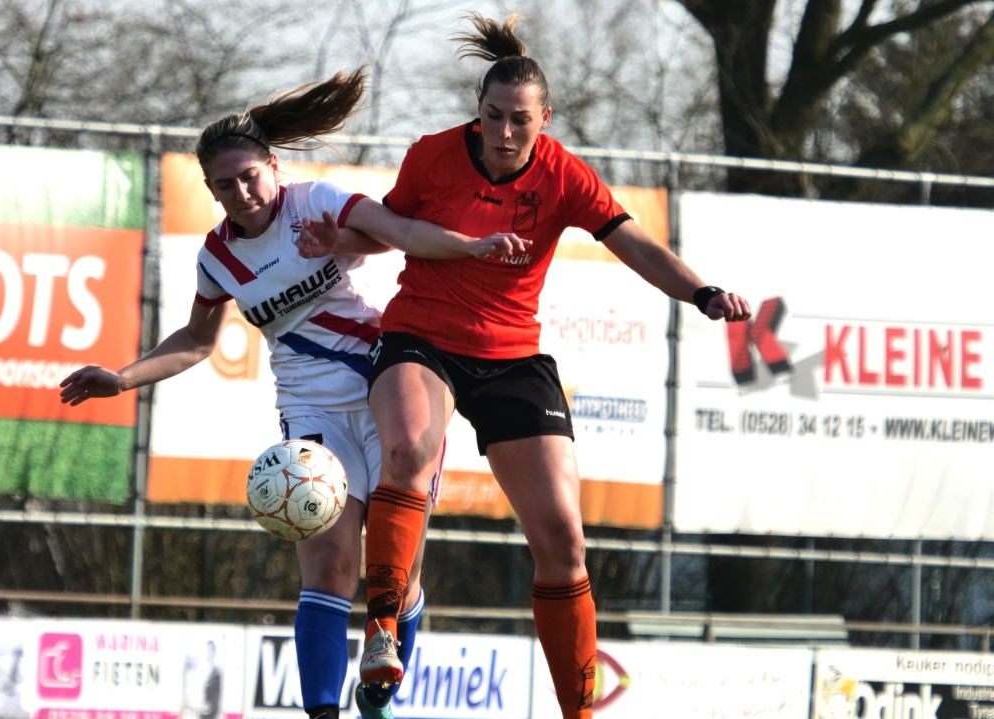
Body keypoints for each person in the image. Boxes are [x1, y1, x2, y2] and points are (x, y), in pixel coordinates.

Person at [301, 13, 752, 719]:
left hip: (512, 354)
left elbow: (635, 244)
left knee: (565, 540)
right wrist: (343, 237)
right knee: (409, 449)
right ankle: (382, 633)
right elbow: (395, 227)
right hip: (422, 334)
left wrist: (700, 291)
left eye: (519, 120)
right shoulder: (433, 155)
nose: (504, 133)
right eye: (491, 117)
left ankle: (580, 711)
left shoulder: (565, 174)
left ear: (546, 117)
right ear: (475, 113)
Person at [58, 68, 528, 719]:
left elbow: (406, 232)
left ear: (274, 166)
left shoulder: (317, 202)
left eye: (250, 176)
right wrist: (122, 376)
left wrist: (473, 247)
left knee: (399, 574)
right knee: (331, 562)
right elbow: (197, 340)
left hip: (390, 386)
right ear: (211, 189)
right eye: (225, 184)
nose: (242, 192)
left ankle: (379, 693)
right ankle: (322, 713)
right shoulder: (218, 257)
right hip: (309, 409)